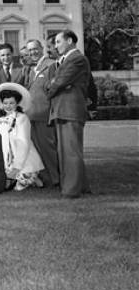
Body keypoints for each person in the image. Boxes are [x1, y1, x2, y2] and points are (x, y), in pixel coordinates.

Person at [47, 30, 92, 198]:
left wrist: (53, 86)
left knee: (70, 152)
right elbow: (58, 83)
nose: (56, 46)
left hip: (70, 110)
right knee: (66, 151)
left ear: (70, 40)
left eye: (58, 42)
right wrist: (56, 84)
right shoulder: (66, 60)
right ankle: (81, 186)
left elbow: (59, 82)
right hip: (62, 110)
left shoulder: (77, 59)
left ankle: (71, 190)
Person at [0, 84, 45, 191]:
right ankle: (25, 179)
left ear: (17, 104)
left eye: (11, 103)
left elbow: (24, 142)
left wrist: (17, 166)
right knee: (1, 183)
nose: (8, 106)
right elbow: (3, 144)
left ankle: (32, 176)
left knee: (18, 188)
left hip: (24, 160)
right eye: (5, 103)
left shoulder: (22, 118)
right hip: (8, 162)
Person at [24, 39, 58, 187]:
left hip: (45, 114)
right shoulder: (31, 69)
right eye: (30, 50)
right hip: (31, 114)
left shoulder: (51, 64)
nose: (33, 52)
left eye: (35, 48)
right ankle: (45, 178)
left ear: (41, 48)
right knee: (37, 149)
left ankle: (56, 178)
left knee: (48, 148)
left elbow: (54, 88)